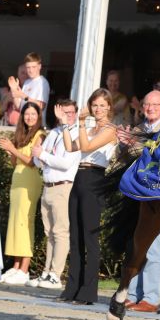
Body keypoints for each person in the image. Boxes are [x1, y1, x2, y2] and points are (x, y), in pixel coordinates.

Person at [59, 88, 118, 305]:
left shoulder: (111, 129)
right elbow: (70, 146)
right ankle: (71, 289)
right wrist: (66, 124)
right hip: (79, 177)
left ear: (109, 107)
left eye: (103, 105)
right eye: (95, 105)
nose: (98, 109)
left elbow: (87, 146)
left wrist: (81, 123)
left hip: (95, 178)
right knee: (75, 237)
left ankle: (87, 292)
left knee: (90, 238)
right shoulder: (90, 128)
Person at [118, 90, 160, 312]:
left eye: (155, 105)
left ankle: (150, 297)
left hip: (157, 192)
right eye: (147, 104)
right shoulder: (140, 128)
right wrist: (124, 144)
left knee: (153, 247)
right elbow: (126, 158)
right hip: (137, 192)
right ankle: (134, 293)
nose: (150, 108)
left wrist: (138, 146)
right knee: (137, 245)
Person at [28, 98, 81, 290]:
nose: (66, 115)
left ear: (75, 113)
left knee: (60, 232)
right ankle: (46, 272)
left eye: (70, 112)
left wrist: (43, 156)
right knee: (49, 232)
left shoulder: (76, 133)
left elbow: (65, 162)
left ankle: (56, 275)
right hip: (48, 184)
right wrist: (43, 157)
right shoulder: (54, 132)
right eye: (63, 112)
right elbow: (37, 160)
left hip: (63, 186)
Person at [0, 102, 45, 285]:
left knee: (25, 222)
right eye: (27, 114)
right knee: (16, 223)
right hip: (17, 181)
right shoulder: (21, 134)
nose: (30, 117)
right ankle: (16, 266)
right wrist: (11, 150)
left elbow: (32, 162)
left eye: (33, 114)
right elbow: (14, 161)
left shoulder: (40, 135)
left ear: (38, 116)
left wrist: (12, 149)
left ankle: (24, 268)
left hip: (30, 182)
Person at [8, 52, 50, 125]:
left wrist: (23, 96)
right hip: (24, 126)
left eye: (33, 67)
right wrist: (14, 90)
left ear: (39, 66)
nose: (30, 70)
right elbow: (19, 107)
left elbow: (41, 106)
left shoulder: (42, 82)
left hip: (36, 126)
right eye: (28, 67)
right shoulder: (27, 82)